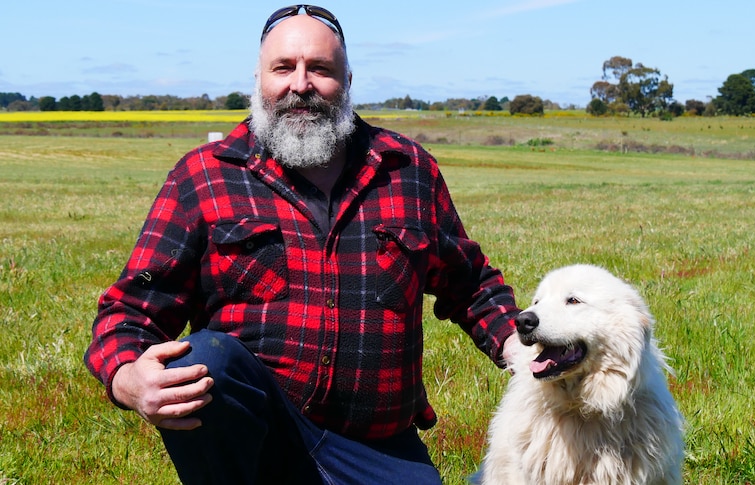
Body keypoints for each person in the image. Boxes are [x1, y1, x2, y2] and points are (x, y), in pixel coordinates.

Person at [84, 5, 520, 484]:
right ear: (259, 79)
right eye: (283, 67)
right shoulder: (204, 176)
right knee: (207, 358)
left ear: (348, 80)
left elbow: (470, 284)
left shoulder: (407, 170)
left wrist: (520, 348)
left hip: (376, 447)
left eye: (321, 69)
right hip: (260, 441)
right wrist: (127, 377)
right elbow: (130, 312)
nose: (301, 84)